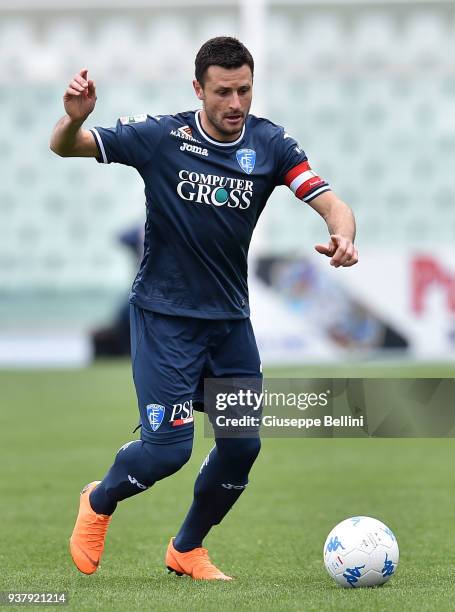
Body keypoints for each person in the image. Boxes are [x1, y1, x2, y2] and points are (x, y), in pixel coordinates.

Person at [50, 36, 358, 581]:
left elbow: (330, 200)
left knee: (243, 447)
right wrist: (73, 120)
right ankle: (99, 501)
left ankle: (186, 549)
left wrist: (343, 235)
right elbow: (64, 147)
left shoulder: (270, 144)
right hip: (165, 318)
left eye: (244, 90)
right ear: (199, 89)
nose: (235, 103)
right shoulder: (160, 137)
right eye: (223, 92)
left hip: (229, 325)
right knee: (167, 452)